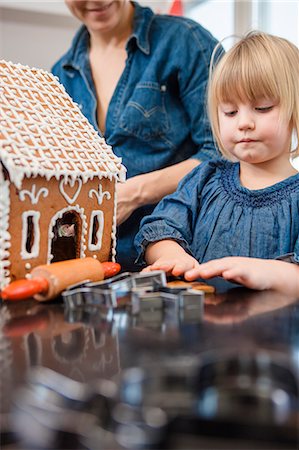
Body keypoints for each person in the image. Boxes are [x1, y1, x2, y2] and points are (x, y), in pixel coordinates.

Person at [51, 0, 222, 271]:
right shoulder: (59, 77)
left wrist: (135, 193)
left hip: (180, 255)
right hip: (92, 267)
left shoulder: (185, 42)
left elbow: (222, 153)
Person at [134, 31, 299, 294]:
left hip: (274, 332)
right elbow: (158, 229)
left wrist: (267, 273)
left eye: (263, 107)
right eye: (230, 112)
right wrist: (171, 255)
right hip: (201, 329)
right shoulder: (204, 179)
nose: (244, 122)